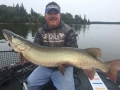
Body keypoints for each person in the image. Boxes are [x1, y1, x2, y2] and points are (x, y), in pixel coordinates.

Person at [26, 1, 78, 90]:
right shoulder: (40, 32)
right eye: (50, 13)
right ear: (45, 15)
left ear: (59, 15)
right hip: (45, 67)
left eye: (55, 13)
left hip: (63, 68)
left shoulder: (69, 31)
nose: (53, 16)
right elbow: (34, 50)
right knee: (29, 85)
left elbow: (74, 52)